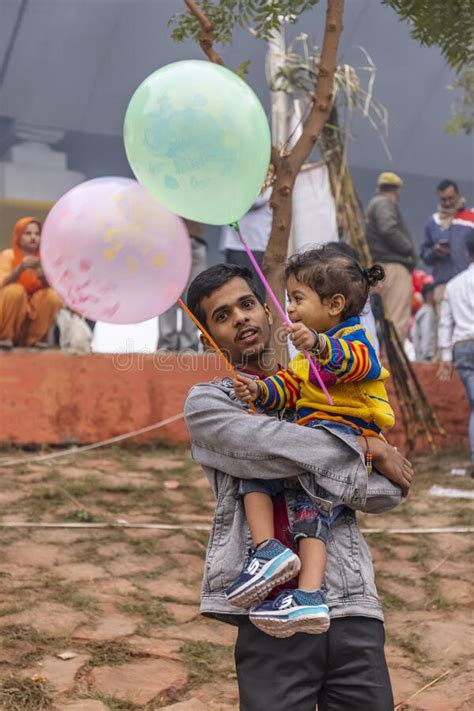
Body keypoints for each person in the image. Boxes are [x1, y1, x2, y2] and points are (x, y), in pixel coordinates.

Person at [184, 263, 413, 710]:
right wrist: (368, 447)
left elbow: (387, 492)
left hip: (351, 606)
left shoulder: (330, 388)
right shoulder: (210, 405)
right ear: (206, 337)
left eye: (248, 304)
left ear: (270, 312)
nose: (241, 319)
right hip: (269, 616)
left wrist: (339, 451)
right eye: (222, 316)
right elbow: (263, 443)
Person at [227, 247, 393, 638]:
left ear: (334, 304)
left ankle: (309, 594)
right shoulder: (305, 353)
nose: (291, 308)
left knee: (310, 511)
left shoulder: (355, 339)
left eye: (297, 299)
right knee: (255, 477)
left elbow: (357, 364)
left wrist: (318, 345)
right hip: (310, 436)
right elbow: (292, 386)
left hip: (340, 438)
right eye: (289, 299)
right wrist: (260, 390)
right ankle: (267, 551)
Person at [365, 172, 417, 343]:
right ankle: (391, 362)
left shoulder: (375, 204)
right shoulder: (384, 203)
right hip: (393, 267)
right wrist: (409, 249)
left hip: (382, 267)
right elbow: (388, 229)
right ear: (396, 190)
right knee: (396, 319)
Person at [438, 232, 474, 471]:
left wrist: (446, 357)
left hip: (462, 346)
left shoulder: (453, 284)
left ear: (466, 252)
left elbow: (445, 323)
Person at [420, 179, 474, 341]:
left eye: (451, 198)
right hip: (443, 284)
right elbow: (424, 255)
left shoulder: (470, 217)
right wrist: (435, 252)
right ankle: (442, 362)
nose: (448, 202)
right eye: (444, 199)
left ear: (458, 194)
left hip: (469, 282)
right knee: (442, 326)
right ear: (438, 198)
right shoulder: (433, 222)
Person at [0, 217, 62, 349]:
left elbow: (54, 289)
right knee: (14, 291)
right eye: (28, 234)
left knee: (52, 296)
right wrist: (19, 269)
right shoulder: (8, 255)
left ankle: (35, 340)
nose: (33, 237)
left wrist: (43, 278)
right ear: (18, 237)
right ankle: (6, 337)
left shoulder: (45, 259)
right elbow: (2, 282)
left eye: (37, 234)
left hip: (34, 312)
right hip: (12, 310)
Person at [157, 219, 207, 351]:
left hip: (195, 237)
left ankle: (188, 345)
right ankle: (167, 345)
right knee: (167, 294)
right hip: (168, 237)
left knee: (193, 295)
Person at [220, 188, 272, 300]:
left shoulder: (266, 177)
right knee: (235, 290)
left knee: (255, 292)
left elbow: (258, 199)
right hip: (235, 245)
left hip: (255, 243)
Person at [411, 283, 436, 362]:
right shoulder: (427, 312)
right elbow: (426, 335)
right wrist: (424, 357)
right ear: (429, 295)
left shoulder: (422, 311)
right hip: (427, 357)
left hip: (423, 356)